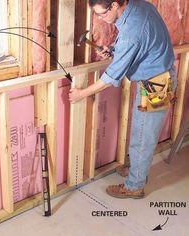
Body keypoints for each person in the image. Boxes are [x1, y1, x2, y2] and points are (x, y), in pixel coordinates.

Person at [69, 0, 176, 199]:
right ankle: (138, 170)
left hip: (157, 85)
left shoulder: (131, 32)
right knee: (140, 132)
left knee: (142, 137)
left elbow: (111, 76)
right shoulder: (138, 6)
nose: (100, 19)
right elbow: (140, 42)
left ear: (115, 5)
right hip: (157, 75)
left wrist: (82, 94)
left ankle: (135, 186)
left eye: (101, 14)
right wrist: (113, 50)